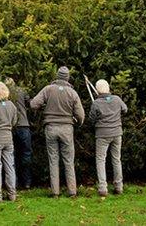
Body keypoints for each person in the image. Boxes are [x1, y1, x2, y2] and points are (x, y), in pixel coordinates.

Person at [30, 66, 85, 198]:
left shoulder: (48, 89)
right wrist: (79, 122)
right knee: (68, 160)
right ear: (67, 78)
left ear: (57, 76)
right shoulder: (72, 93)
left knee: (53, 160)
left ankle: (55, 192)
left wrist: (45, 106)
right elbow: (80, 114)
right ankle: (72, 191)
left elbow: (33, 104)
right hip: (67, 128)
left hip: (51, 128)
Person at [88, 79, 128, 197]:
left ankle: (103, 188)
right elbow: (125, 109)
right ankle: (119, 187)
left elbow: (91, 119)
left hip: (102, 134)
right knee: (116, 159)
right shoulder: (117, 99)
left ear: (97, 90)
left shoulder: (96, 103)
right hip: (117, 133)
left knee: (101, 160)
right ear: (108, 88)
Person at [5, 77, 33, 190]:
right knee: (26, 154)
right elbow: (30, 103)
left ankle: (14, 183)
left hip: (10, 127)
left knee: (11, 156)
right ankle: (27, 182)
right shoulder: (21, 91)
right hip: (24, 125)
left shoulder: (2, 93)